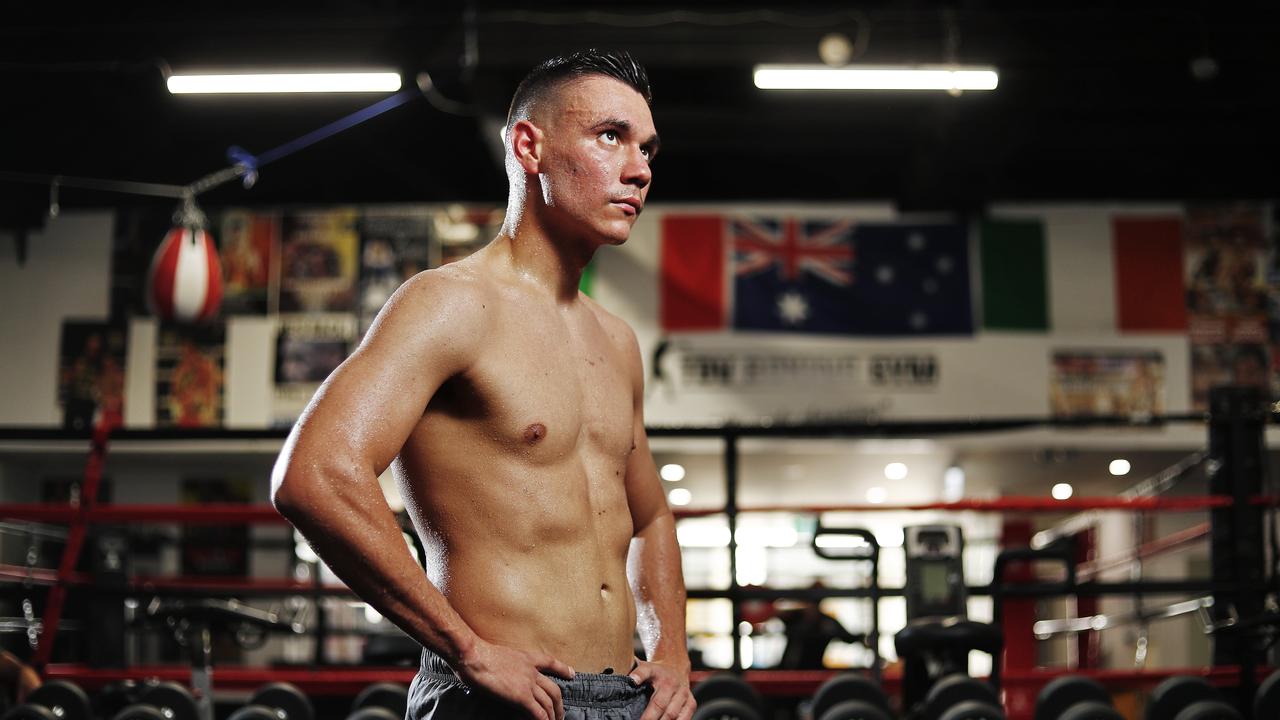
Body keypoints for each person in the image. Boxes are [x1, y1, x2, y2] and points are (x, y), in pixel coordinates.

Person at [271, 49, 693, 720]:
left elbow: (649, 518)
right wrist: (465, 648)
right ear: (530, 145)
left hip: (626, 700)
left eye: (648, 148)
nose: (640, 169)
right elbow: (313, 474)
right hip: (496, 694)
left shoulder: (616, 340)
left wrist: (672, 652)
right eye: (611, 136)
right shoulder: (450, 304)